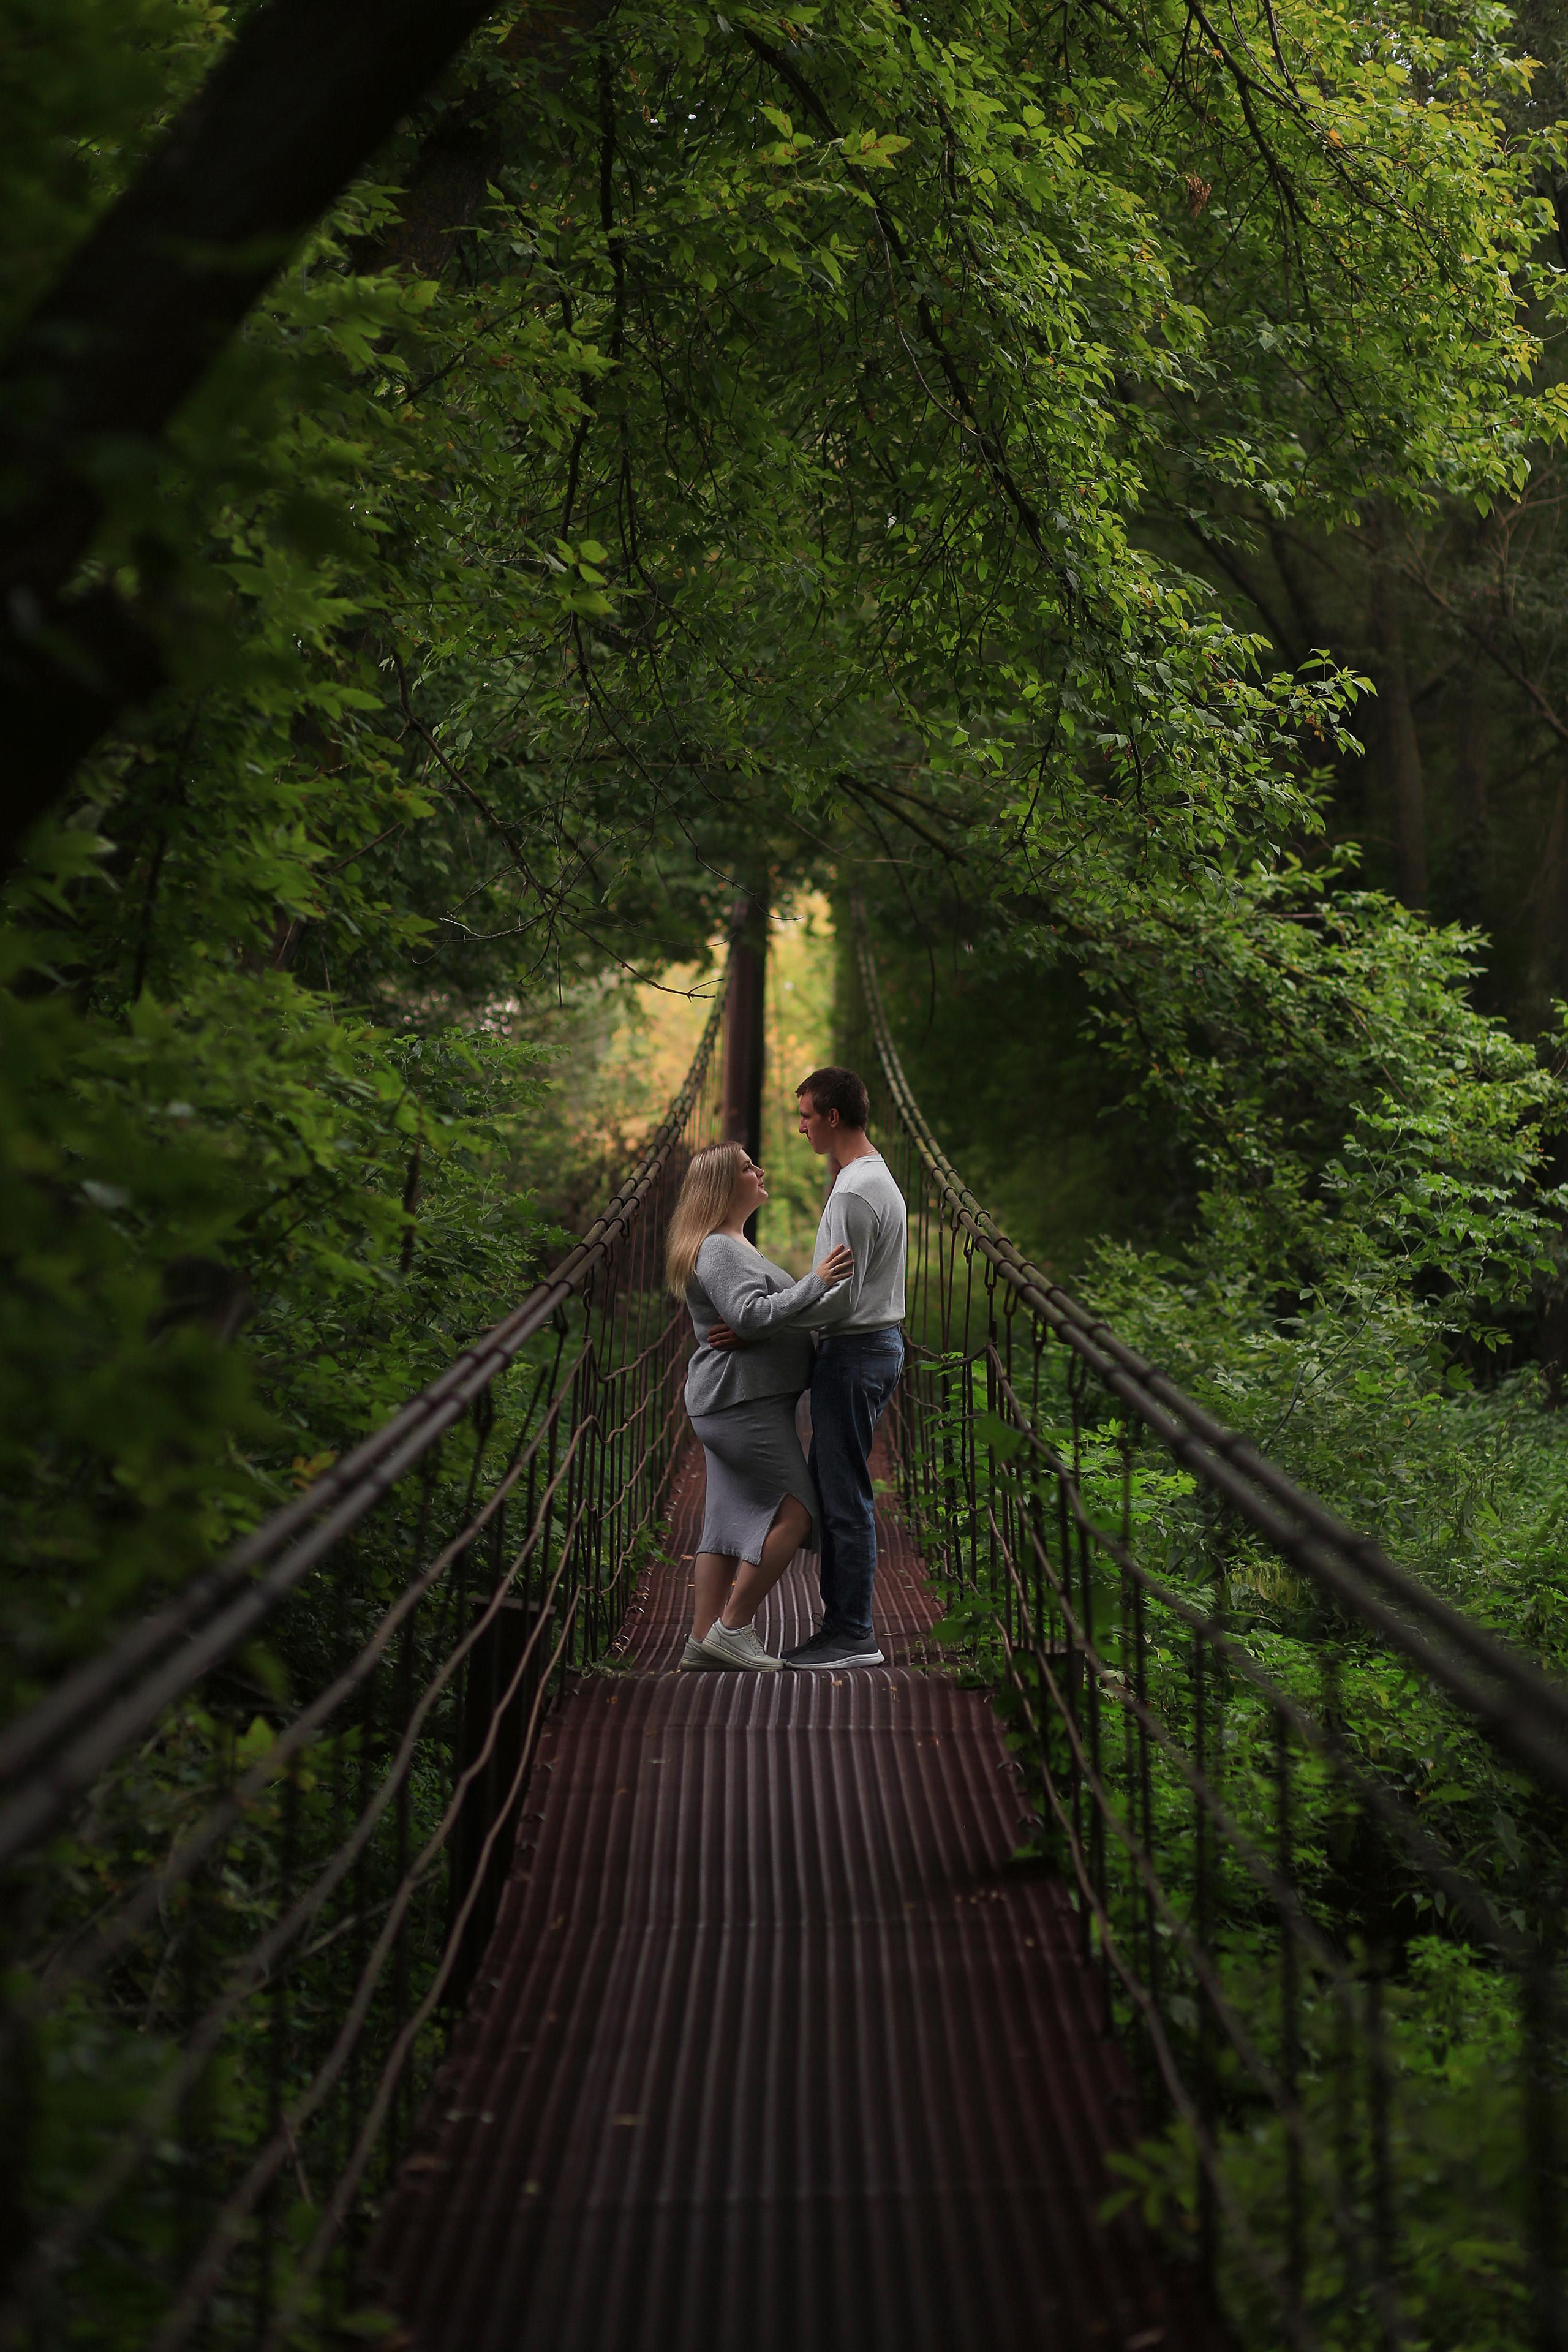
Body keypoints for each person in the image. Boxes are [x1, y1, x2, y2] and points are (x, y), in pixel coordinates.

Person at [707, 1065, 908, 1668]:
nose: (799, 1129)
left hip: (854, 1353)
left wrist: (760, 1325)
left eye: (805, 1116)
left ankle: (851, 1634)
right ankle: (844, 1627)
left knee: (843, 1497)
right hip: (870, 1348)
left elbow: (842, 1297)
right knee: (836, 1490)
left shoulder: (852, 1190)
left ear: (832, 1117)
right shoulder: (872, 1177)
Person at [666, 1139, 853, 1670]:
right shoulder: (720, 1248)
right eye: (749, 1168)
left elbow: (756, 1318)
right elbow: (750, 1316)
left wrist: (784, 1319)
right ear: (725, 1187)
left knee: (723, 1525)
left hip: (737, 1402)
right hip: (742, 1404)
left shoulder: (731, 1243)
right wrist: (816, 1283)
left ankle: (702, 1642)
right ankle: (734, 1628)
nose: (760, 1170)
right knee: (798, 1513)